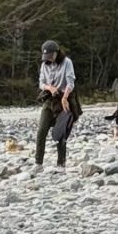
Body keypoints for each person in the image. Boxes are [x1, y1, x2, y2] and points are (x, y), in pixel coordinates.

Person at [34, 39, 79, 170]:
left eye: (51, 56)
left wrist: (65, 97)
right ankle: (38, 163)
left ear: (57, 53)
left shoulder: (67, 62)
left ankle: (61, 163)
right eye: (46, 57)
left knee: (61, 132)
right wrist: (49, 87)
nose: (49, 59)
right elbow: (41, 83)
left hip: (64, 99)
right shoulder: (44, 65)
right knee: (41, 131)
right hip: (49, 100)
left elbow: (71, 82)